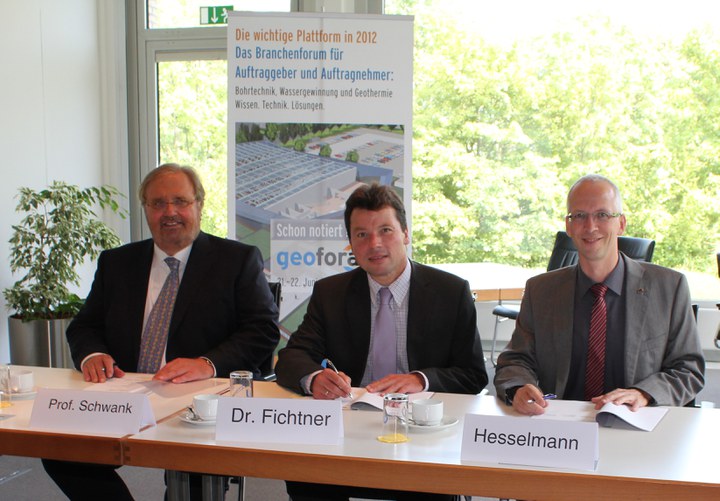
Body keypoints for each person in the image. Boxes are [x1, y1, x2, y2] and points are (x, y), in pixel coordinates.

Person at [42, 163, 280, 500]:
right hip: (124, 393)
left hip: (199, 399)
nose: (169, 212)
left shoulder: (237, 260)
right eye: (158, 203)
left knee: (193, 478)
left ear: (199, 205)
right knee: (60, 449)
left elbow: (262, 330)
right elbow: (85, 325)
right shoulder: (116, 262)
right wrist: (93, 354)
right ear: (146, 209)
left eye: (180, 201)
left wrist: (207, 363)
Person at [275, 183, 487, 501]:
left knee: (431, 489)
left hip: (422, 433)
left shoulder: (451, 292)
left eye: (385, 230)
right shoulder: (331, 293)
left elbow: (473, 375)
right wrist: (315, 378)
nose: (374, 244)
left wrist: (421, 379)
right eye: (361, 234)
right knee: (306, 477)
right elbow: (292, 357)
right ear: (350, 244)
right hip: (348, 428)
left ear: (405, 233)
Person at [494, 174, 704, 416]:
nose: (590, 226)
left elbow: (688, 369)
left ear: (621, 224)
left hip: (635, 423)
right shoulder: (541, 290)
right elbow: (516, 360)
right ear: (568, 226)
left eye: (602, 215)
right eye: (579, 215)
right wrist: (519, 387)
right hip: (558, 424)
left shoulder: (669, 287)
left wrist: (644, 394)